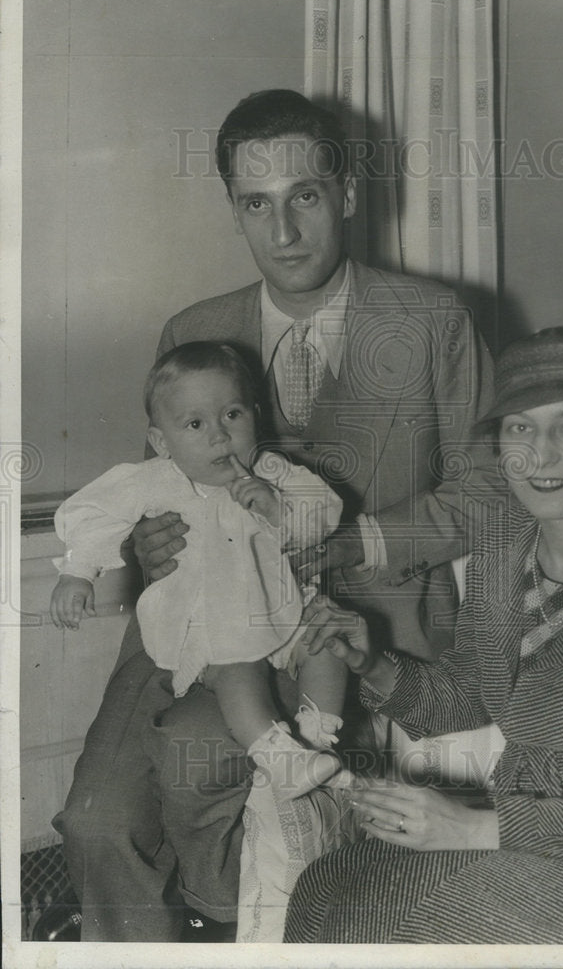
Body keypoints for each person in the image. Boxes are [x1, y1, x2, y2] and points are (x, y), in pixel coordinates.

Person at [53, 89, 500, 941]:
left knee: (210, 772)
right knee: (94, 824)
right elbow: (156, 495)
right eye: (257, 204)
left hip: (353, 628)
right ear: (234, 211)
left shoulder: (432, 320)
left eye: (304, 196)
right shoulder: (195, 329)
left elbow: (490, 492)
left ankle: (252, 938)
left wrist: (355, 536)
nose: (283, 231)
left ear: (348, 196)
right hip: (199, 623)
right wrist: (147, 546)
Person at [285, 326, 563, 945]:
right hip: (523, 833)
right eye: (521, 427)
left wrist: (472, 829)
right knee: (323, 891)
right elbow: (469, 694)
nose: (541, 455)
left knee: (384, 929)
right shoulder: (503, 542)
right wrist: (373, 664)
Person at [51, 341, 349, 797]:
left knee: (326, 644)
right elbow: (95, 511)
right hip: (209, 620)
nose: (219, 436)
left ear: (255, 414)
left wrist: (278, 509)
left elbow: (324, 512)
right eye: (195, 424)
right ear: (160, 441)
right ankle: (275, 757)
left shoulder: (272, 472)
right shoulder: (155, 479)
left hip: (279, 604)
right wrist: (78, 570)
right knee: (237, 669)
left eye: (232, 415)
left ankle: (316, 739)